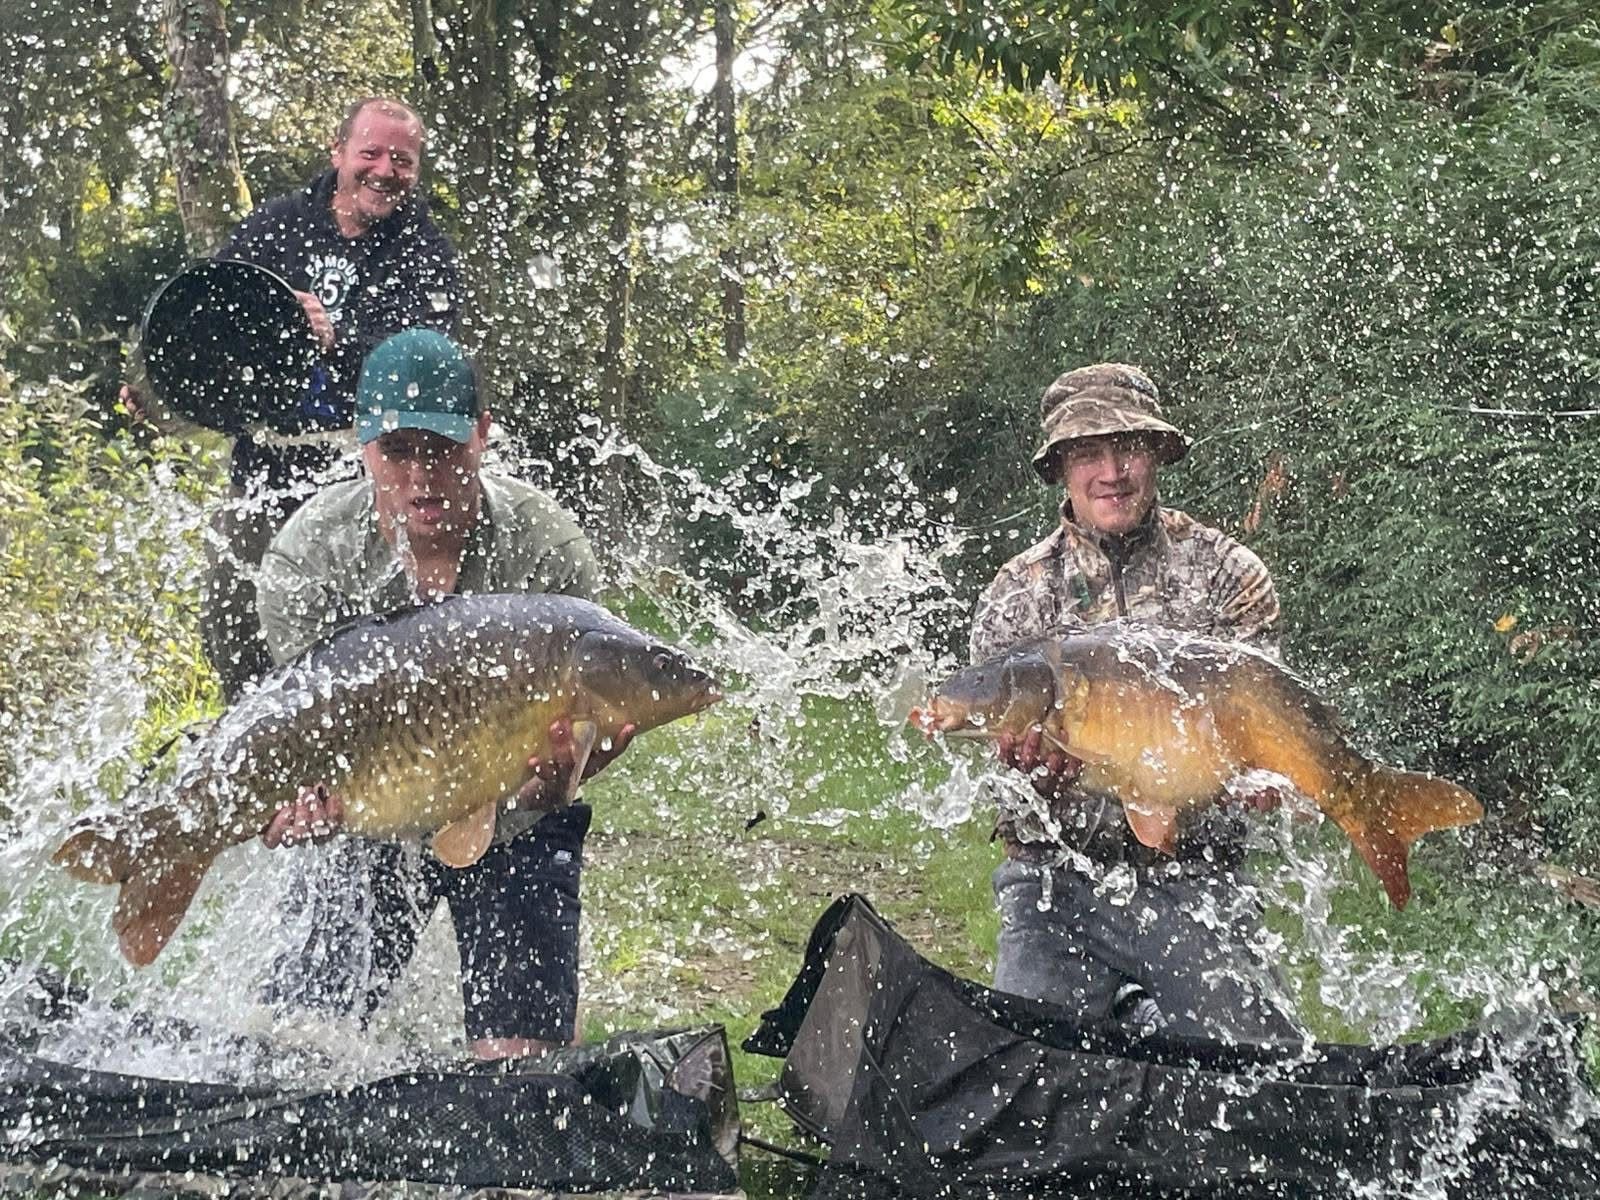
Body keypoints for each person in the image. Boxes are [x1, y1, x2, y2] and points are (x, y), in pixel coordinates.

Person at [253, 328, 618, 1061]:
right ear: (363, 447)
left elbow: (599, 727)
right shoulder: (309, 556)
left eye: (443, 449)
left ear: (481, 437)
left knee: (523, 1077)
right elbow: (299, 734)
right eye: (398, 452)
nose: (421, 476)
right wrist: (298, 805)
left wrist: (568, 771)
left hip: (516, 818)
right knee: (291, 1053)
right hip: (373, 821)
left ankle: (536, 1023)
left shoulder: (547, 549)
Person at [969, 362, 1305, 1045]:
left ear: (1154, 455)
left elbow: (1267, 722)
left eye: (1127, 448)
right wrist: (1030, 771)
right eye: (1087, 453)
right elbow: (1004, 775)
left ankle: (1143, 1013)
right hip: (1054, 883)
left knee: (1260, 1075)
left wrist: (1264, 781)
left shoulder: (1228, 574)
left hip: (1199, 880)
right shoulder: (1016, 594)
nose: (1111, 471)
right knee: (1030, 1080)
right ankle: (1126, 1012)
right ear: (1061, 468)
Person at [128, 96, 463, 700]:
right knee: (235, 629)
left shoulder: (426, 253)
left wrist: (338, 338)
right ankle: (252, 759)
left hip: (363, 477)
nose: (385, 170)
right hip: (265, 470)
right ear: (339, 154)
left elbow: (426, 366)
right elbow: (208, 315)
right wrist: (160, 389)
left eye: (402, 160)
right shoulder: (277, 224)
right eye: (370, 153)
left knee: (361, 645)